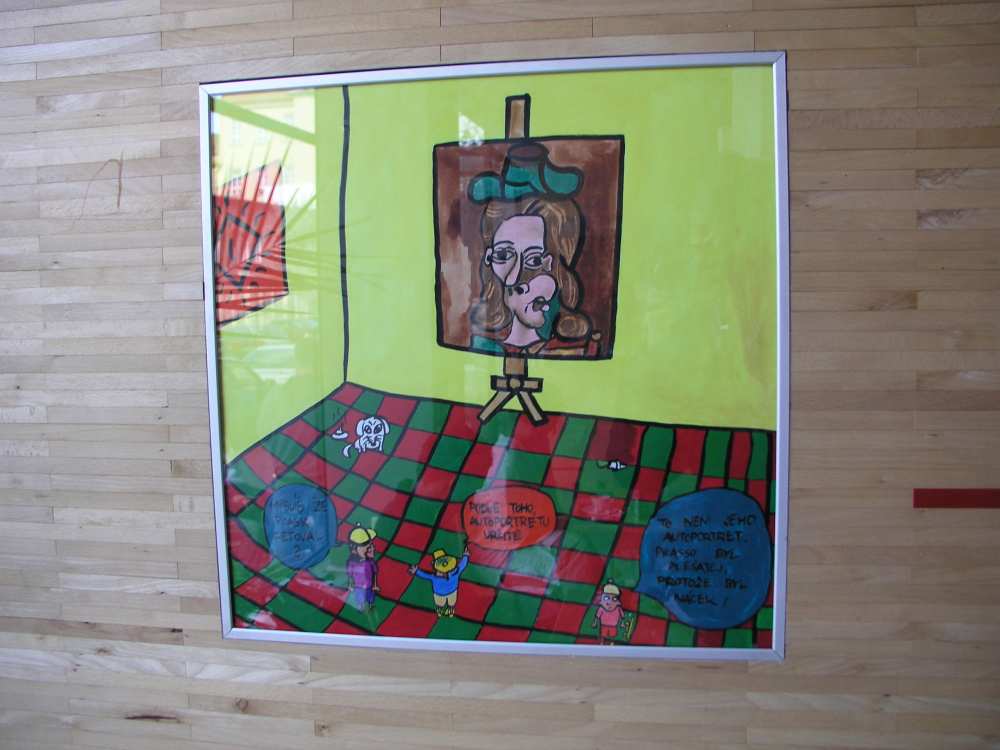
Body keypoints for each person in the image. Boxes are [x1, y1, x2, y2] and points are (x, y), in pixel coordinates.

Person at [468, 143, 597, 357]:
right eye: (503, 255)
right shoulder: (480, 346)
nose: (514, 277)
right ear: (489, 259)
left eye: (534, 259)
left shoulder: (579, 350)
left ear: (556, 266)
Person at [408, 547, 469, 617]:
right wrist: (465, 555)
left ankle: (445, 612)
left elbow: (425, 575)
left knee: (446, 604)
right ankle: (445, 612)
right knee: (446, 604)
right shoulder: (455, 572)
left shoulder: (439, 576)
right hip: (447, 593)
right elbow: (463, 565)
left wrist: (416, 571)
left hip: (444, 594)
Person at [345, 525, 379, 610]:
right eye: (367, 547)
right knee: (360, 597)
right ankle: (361, 606)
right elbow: (350, 575)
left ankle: (370, 604)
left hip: (369, 585)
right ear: (354, 550)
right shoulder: (352, 563)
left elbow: (375, 573)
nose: (371, 549)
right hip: (358, 587)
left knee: (370, 596)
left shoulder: (370, 562)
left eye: (371, 545)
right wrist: (350, 585)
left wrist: (375, 585)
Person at [592, 579, 625, 644]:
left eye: (614, 599)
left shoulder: (618, 608)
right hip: (603, 625)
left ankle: (611, 645)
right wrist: (595, 623)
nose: (609, 602)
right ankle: (602, 644)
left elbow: (622, 616)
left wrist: (622, 623)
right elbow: (597, 616)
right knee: (603, 636)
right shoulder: (601, 608)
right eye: (606, 598)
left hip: (613, 626)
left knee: (612, 637)